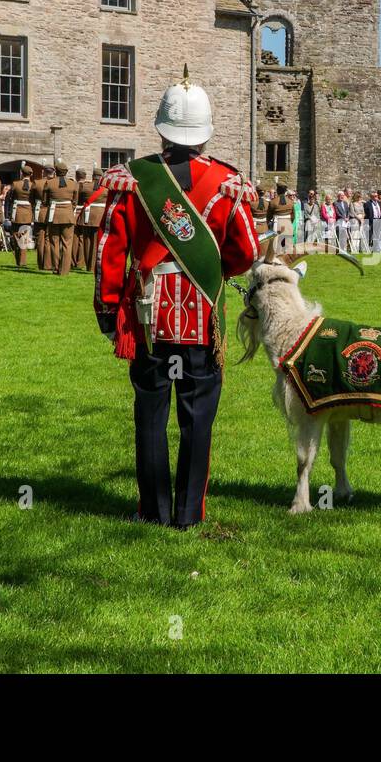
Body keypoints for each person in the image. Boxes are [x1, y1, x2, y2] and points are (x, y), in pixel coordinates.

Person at [95, 70, 258, 528]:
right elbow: (245, 251)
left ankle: (153, 510)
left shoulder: (133, 179)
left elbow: (110, 247)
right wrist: (211, 267)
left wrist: (108, 309)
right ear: (205, 131)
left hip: (148, 318)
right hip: (202, 317)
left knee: (150, 415)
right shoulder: (228, 182)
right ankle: (189, 513)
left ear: (161, 128)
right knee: (197, 415)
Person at [7, 164, 37, 268]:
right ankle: (22, 261)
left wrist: (8, 213)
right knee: (24, 238)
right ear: (31, 174)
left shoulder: (15, 184)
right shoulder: (33, 185)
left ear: (21, 173)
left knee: (16, 237)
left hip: (17, 212)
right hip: (28, 213)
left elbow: (9, 198)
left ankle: (19, 261)